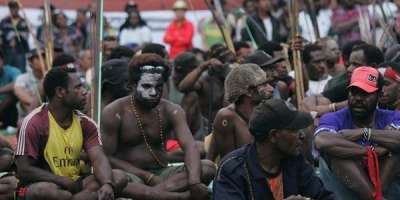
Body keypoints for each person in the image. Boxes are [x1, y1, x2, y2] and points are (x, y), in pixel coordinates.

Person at [101, 53, 215, 200]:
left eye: (158, 87)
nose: (154, 92)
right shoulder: (114, 111)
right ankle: (175, 197)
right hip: (130, 176)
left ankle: (153, 195)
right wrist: (147, 176)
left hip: (163, 174)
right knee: (116, 179)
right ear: (132, 85)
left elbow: (190, 147)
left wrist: (194, 182)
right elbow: (106, 157)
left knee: (208, 167)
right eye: (147, 86)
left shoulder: (171, 110)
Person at [15, 67, 128, 200]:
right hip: (32, 188)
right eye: (78, 87)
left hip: (74, 184)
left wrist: (107, 184)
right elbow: (23, 170)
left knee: (119, 177)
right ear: (60, 92)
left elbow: (98, 158)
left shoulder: (86, 123)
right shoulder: (33, 122)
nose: (85, 92)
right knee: (45, 191)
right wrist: (62, 181)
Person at [213, 99, 335, 200]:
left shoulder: (295, 160)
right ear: (273, 136)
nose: (302, 135)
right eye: (294, 130)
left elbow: (324, 197)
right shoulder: (233, 169)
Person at [315, 66, 400, 200]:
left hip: (387, 189)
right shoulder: (334, 117)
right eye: (354, 92)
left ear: (379, 95)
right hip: (345, 191)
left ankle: (377, 197)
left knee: (395, 151)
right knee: (336, 154)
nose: (358, 98)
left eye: (365, 93)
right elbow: (322, 141)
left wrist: (364, 133)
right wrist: (371, 151)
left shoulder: (394, 116)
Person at [208, 63, 274, 161]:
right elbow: (229, 163)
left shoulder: (268, 110)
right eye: (264, 85)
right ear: (249, 91)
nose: (271, 89)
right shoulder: (227, 117)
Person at [178, 44, 235, 128]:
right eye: (227, 62)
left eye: (232, 62)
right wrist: (202, 67)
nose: (229, 66)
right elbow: (183, 87)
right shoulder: (206, 81)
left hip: (229, 126)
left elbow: (229, 107)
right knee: (190, 96)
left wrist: (229, 78)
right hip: (207, 127)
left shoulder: (235, 78)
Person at [14, 49, 46, 122]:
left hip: (49, 112)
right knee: (23, 102)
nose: (42, 60)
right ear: (30, 62)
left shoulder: (51, 76)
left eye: (44, 57)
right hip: (30, 113)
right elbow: (20, 94)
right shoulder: (22, 78)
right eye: (38, 57)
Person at [0, 0, 30, 72]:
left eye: (15, 7)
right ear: (9, 9)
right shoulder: (4, 21)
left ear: (18, 8)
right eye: (11, 8)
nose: (13, 9)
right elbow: (1, 35)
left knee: (21, 70)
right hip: (6, 51)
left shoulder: (24, 21)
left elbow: (26, 35)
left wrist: (14, 35)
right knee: (6, 71)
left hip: (20, 50)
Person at [0, 50, 21, 128]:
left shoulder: (12, 71)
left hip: (9, 107)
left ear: (2, 60)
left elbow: (18, 83)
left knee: (13, 94)